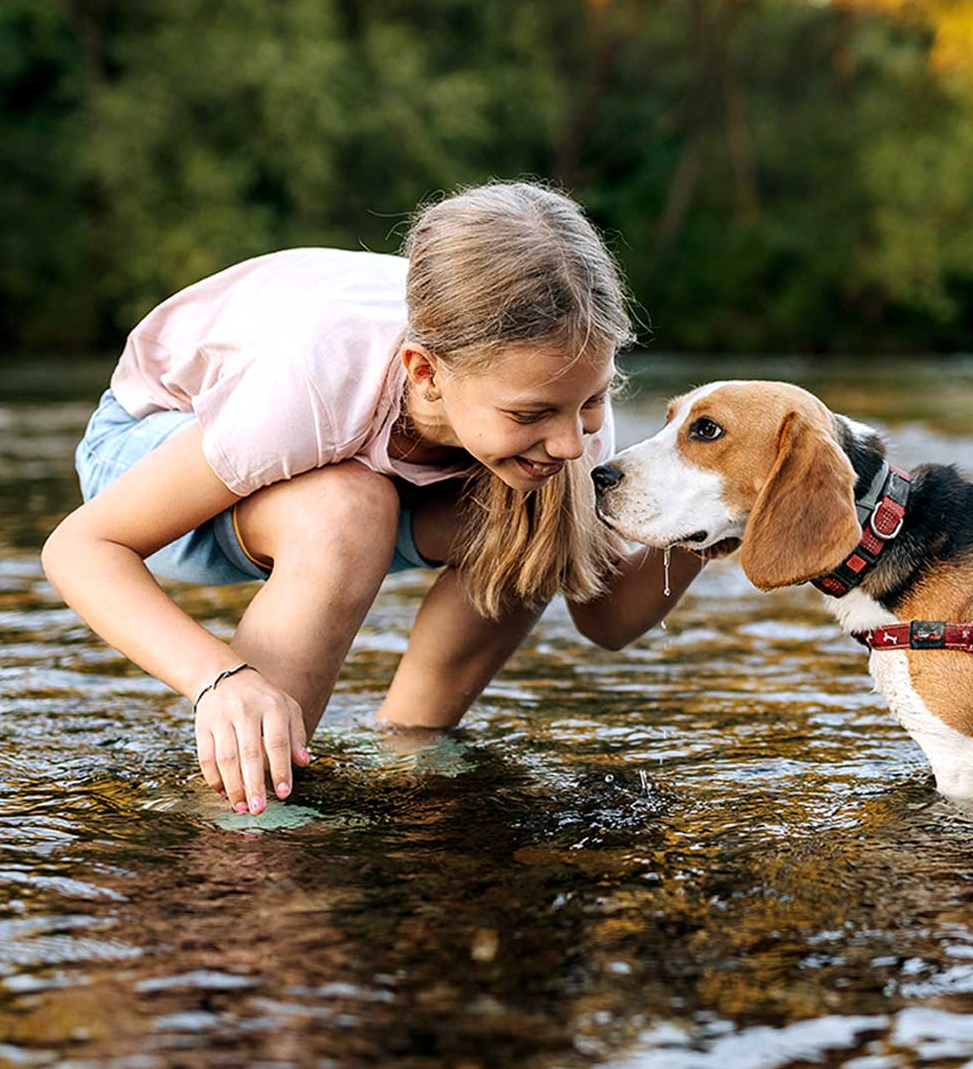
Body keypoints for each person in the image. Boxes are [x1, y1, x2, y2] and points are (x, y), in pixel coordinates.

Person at [41, 182, 707, 816]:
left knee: (541, 510)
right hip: (154, 452)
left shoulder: (561, 392)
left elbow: (607, 618)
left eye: (592, 400)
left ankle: (409, 750)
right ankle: (248, 800)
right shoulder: (311, 379)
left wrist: (713, 519)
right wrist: (221, 678)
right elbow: (82, 547)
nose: (569, 441)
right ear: (426, 373)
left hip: (359, 479)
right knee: (348, 509)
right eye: (532, 412)